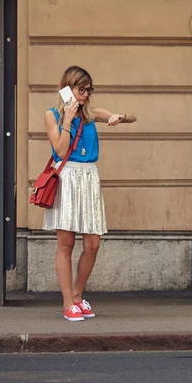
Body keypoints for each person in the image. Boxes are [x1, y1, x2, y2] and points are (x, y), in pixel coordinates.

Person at [43, 66, 137, 321]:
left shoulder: (90, 115)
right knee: (66, 243)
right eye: (80, 89)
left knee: (92, 243)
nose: (85, 95)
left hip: (89, 178)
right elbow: (61, 152)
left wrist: (121, 117)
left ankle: (77, 294)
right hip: (67, 178)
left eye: (88, 90)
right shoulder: (52, 115)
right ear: (67, 89)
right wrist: (66, 120)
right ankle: (67, 303)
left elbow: (131, 117)